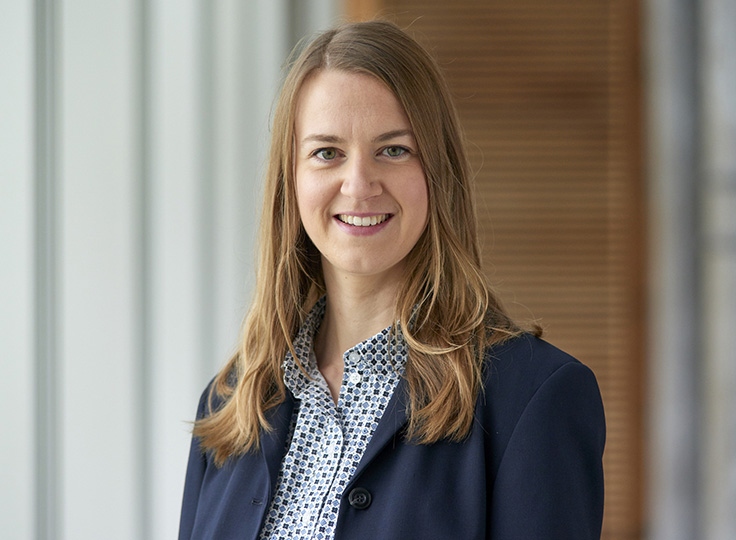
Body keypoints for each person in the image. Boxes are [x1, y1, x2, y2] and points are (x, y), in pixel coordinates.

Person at [179, 20, 605, 540]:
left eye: (394, 149)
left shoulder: (535, 398)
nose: (358, 185)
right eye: (326, 152)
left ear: (438, 172)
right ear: (290, 182)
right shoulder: (230, 404)